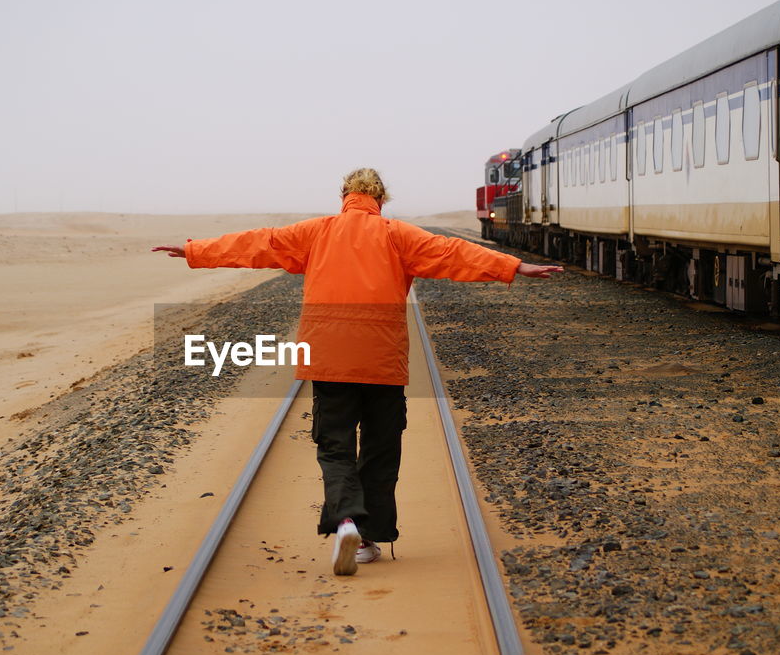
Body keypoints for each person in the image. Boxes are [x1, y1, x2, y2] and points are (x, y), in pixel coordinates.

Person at [153, 168, 562, 576]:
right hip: (382, 362)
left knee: (335, 446)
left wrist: (195, 251)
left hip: (329, 359)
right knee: (381, 448)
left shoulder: (316, 232)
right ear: (380, 200)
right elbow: (452, 253)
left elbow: (258, 244)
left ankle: (345, 518)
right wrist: (512, 267)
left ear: (344, 196)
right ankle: (366, 538)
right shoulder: (398, 234)